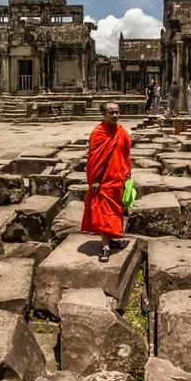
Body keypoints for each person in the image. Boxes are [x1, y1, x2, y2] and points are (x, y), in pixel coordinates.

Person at [81, 101, 132, 262]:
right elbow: (93, 159)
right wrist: (95, 179)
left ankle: (111, 238)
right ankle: (105, 247)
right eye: (111, 112)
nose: (115, 115)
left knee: (116, 211)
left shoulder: (122, 132)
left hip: (118, 178)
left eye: (117, 112)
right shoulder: (97, 133)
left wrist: (128, 174)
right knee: (104, 212)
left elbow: (126, 155)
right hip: (103, 181)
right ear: (103, 114)